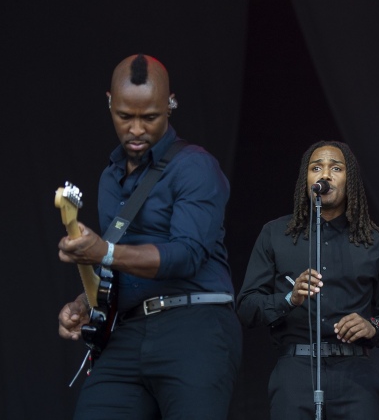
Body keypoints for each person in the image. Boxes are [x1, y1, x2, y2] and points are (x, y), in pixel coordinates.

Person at [57, 53, 242, 419]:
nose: (137, 129)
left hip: (194, 326)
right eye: (125, 116)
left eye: (150, 117)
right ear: (109, 102)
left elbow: (186, 255)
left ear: (171, 105)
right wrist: (84, 302)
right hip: (127, 332)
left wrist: (105, 251)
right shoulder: (110, 179)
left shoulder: (195, 166)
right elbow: (118, 265)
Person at [236, 140, 379, 420]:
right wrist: (288, 299)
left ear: (349, 179)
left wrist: (373, 325)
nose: (324, 175)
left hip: (356, 375)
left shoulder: (375, 241)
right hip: (295, 373)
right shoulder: (275, 234)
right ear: (306, 178)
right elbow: (246, 307)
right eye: (316, 168)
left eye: (336, 168)